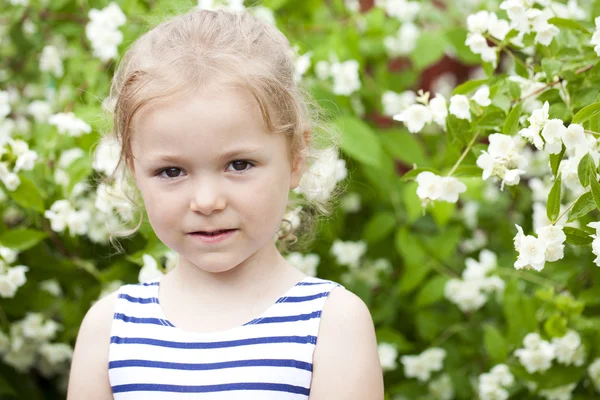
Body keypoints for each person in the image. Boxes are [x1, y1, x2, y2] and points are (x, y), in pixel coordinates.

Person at [67, 7, 384, 400]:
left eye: (238, 164)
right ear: (133, 169)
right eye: (171, 172)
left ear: (296, 157)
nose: (206, 201)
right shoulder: (111, 330)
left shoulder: (330, 324)